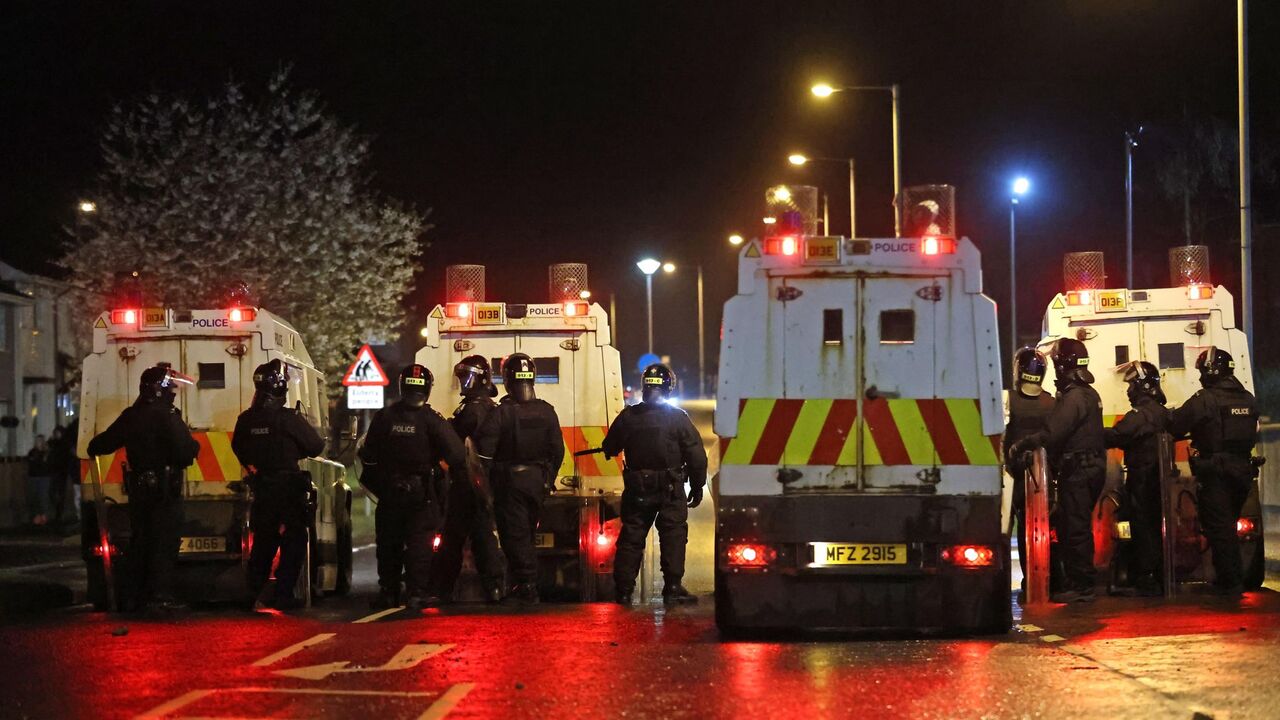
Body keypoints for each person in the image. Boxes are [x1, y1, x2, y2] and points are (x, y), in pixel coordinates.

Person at [87, 364, 200, 612]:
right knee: (164, 542)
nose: (173, 392)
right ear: (160, 390)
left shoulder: (131, 415)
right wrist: (193, 448)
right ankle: (161, 596)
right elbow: (185, 451)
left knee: (141, 541)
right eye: (170, 387)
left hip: (139, 490)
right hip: (165, 491)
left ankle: (136, 596)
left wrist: (92, 446)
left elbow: (101, 444)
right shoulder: (168, 415)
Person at [360, 364, 466, 610]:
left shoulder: (384, 417)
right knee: (420, 542)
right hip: (421, 494)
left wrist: (381, 484)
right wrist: (439, 468)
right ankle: (417, 593)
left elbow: (368, 455)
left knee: (389, 542)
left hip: (390, 492)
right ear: (427, 389)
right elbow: (457, 455)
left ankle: (389, 591)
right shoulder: (432, 420)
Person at [603, 363, 707, 606]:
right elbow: (696, 456)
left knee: (631, 538)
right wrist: (697, 486)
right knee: (673, 536)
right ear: (668, 388)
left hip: (637, 489)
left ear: (645, 387)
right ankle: (672, 589)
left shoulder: (629, 416)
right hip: (670, 489)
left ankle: (624, 591)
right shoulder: (678, 419)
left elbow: (610, 446)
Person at [1010, 338, 1105, 603]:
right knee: (1073, 526)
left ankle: (1081, 586)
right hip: (1088, 467)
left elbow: (1052, 434)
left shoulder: (1073, 398)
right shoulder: (1088, 394)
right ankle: (1074, 581)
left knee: (1075, 529)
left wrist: (1023, 444)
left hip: (1078, 470)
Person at [231, 359, 326, 610]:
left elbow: (238, 448)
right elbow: (316, 446)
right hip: (289, 488)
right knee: (295, 538)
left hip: (262, 488)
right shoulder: (288, 419)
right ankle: (284, 593)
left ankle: (253, 591)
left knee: (264, 540)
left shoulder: (246, 420)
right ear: (281, 387)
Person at [1168, 347, 1260, 597]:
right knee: (1229, 525)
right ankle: (1231, 578)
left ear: (1210, 372)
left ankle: (1230, 583)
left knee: (1220, 529)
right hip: (1243, 471)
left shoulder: (1206, 399)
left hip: (1216, 473)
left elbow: (1177, 424)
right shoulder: (1248, 398)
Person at [474, 354, 565, 605]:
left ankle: (526, 587)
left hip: (510, 484)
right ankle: (526, 584)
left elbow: (484, 455)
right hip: (537, 483)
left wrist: (487, 488)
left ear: (507, 380)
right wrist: (548, 478)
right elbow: (557, 451)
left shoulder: (501, 413)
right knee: (527, 534)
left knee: (515, 536)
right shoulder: (547, 411)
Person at [426, 355, 505, 604]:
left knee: (454, 537)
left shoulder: (474, 410)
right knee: (481, 536)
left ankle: (443, 589)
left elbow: (460, 445)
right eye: (461, 377)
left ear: (481, 379)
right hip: (476, 482)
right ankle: (493, 588)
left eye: (467, 377)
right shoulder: (482, 406)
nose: (463, 382)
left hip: (468, 481)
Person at [1103, 361, 1170, 596]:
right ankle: (1158, 575)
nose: (1129, 390)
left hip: (1142, 480)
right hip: (1159, 480)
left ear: (1142, 386)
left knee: (1141, 528)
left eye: (1132, 385)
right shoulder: (1163, 412)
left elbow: (1116, 435)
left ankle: (1145, 577)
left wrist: (1088, 432)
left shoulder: (1139, 416)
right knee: (1156, 527)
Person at [1002, 347, 1054, 603]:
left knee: (1008, 530)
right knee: (1038, 531)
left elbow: (1000, 437)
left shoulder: (1008, 399)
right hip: (1042, 479)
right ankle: (1039, 582)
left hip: (1012, 476)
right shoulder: (1051, 402)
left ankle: (1010, 581)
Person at [25, 434, 52, 527]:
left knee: (43, 497)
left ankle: (44, 516)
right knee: (34, 497)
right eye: (37, 441)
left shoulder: (47, 452)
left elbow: (48, 464)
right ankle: (36, 516)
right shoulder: (32, 452)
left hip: (44, 477)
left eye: (40, 441)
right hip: (33, 477)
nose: (39, 443)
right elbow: (31, 463)